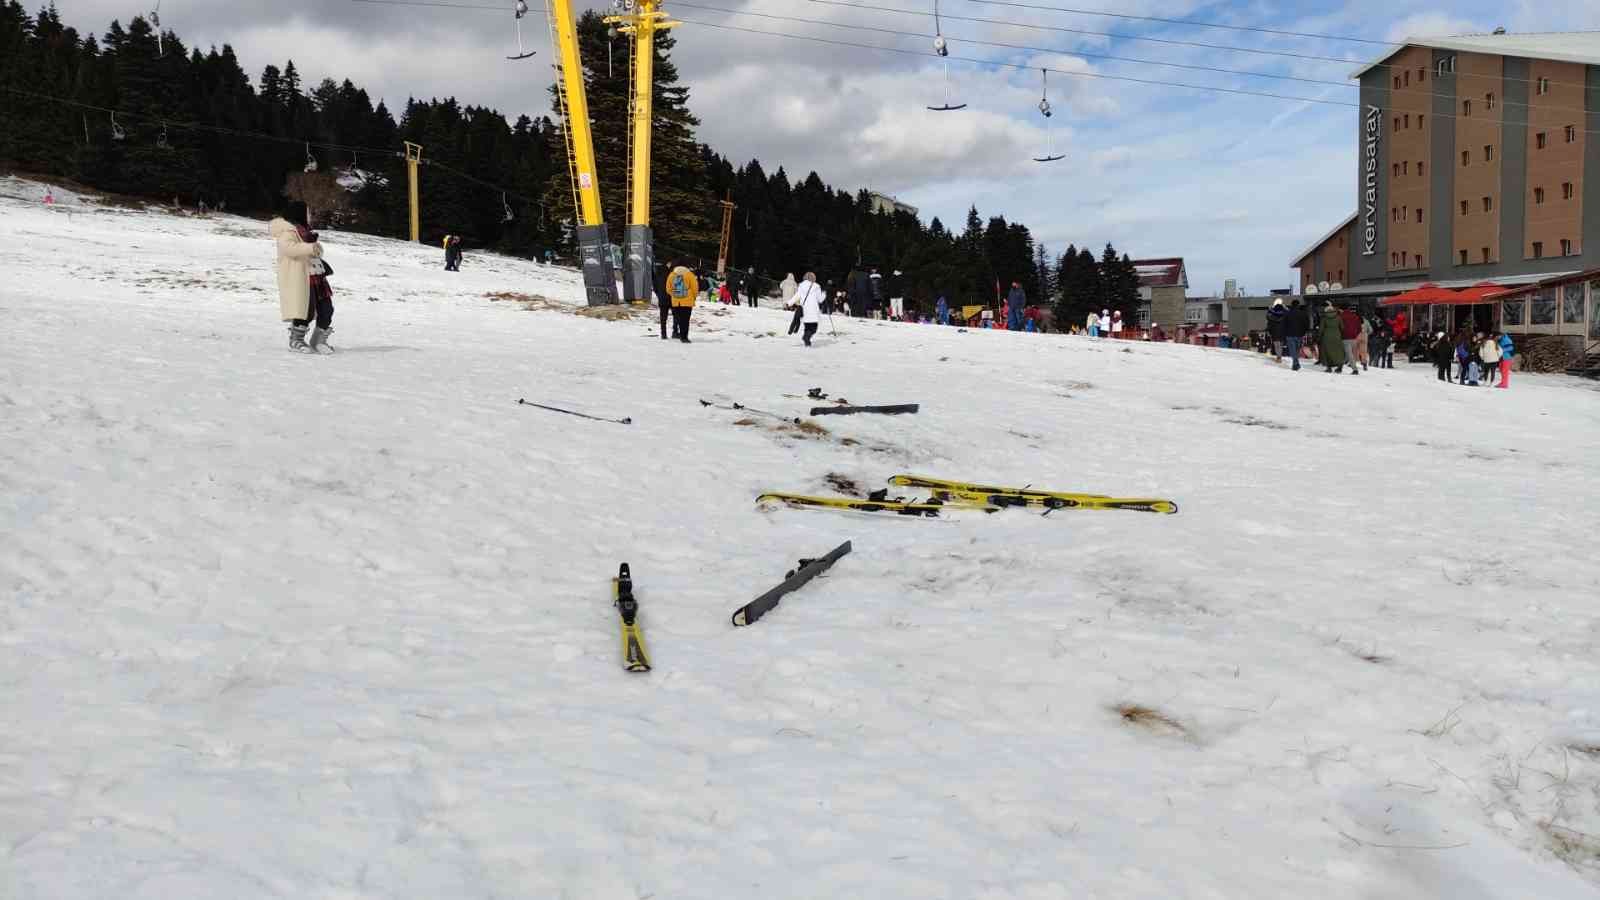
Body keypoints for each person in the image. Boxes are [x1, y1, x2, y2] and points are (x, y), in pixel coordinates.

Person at [271, 200, 330, 353]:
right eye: (308, 211)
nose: (310, 214)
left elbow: (311, 251)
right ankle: (296, 340)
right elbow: (289, 249)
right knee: (305, 309)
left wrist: (316, 249)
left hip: (316, 275)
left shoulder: (307, 231)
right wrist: (311, 248)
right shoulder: (287, 232)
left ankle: (319, 340)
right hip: (301, 277)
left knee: (327, 308)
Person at [666, 262, 698, 342]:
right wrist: (693, 297)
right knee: (686, 320)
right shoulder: (690, 275)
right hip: (687, 301)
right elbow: (695, 288)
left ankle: (679, 334)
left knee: (679, 319)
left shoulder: (671, 275)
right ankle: (684, 337)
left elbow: (668, 289)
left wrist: (674, 295)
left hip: (676, 302)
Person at [794, 271, 824, 346]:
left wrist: (788, 303)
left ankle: (807, 342)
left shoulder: (801, 286)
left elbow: (797, 296)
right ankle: (806, 338)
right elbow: (820, 300)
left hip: (805, 310)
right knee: (814, 328)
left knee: (807, 327)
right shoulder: (816, 286)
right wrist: (824, 294)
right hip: (813, 310)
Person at [1319, 304, 1349, 373]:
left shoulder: (1324, 318)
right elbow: (1342, 328)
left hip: (1326, 337)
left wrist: (1319, 336)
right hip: (1337, 336)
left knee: (1327, 352)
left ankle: (1329, 368)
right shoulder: (1338, 317)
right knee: (1338, 352)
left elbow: (1321, 329)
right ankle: (1339, 367)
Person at [1283, 299, 1309, 370]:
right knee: (1297, 350)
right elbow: (1307, 324)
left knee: (1292, 350)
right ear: (1298, 305)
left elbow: (1284, 324)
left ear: (1292, 305)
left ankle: (1295, 363)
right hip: (1300, 334)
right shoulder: (1303, 313)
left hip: (1289, 334)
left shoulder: (1287, 314)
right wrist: (1304, 331)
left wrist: (1284, 333)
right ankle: (1296, 363)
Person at [655, 260, 673, 340]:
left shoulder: (658, 273)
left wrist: (658, 294)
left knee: (663, 317)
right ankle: (675, 331)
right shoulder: (671, 273)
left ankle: (663, 334)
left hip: (662, 298)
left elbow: (655, 286)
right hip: (671, 298)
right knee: (676, 316)